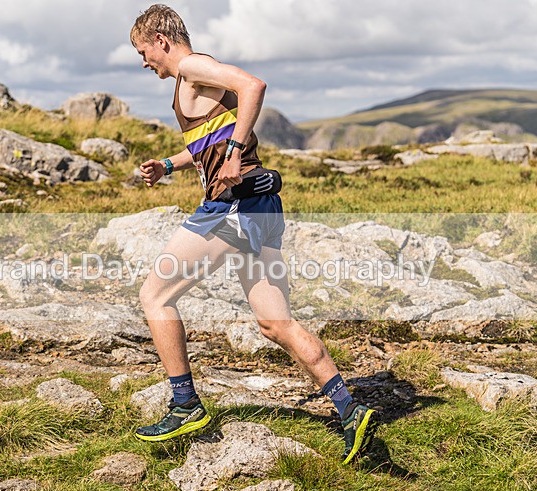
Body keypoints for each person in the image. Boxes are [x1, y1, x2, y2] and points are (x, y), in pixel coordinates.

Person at [130, 4, 378, 464]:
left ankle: (185, 404)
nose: (146, 63)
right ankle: (351, 409)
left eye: (144, 52)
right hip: (261, 204)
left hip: (233, 206)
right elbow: (209, 141)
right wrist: (169, 164)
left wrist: (237, 151)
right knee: (275, 324)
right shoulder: (192, 82)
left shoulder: (190, 66)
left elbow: (253, 85)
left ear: (162, 40)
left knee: (155, 297)